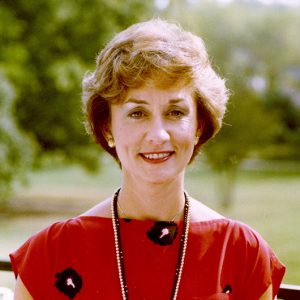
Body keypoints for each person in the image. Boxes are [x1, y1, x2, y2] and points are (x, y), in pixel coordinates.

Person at [10, 19, 285, 300]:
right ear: (107, 128)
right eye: (137, 113)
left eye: (175, 112)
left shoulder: (241, 252)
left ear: (198, 126)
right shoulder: (49, 254)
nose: (158, 135)